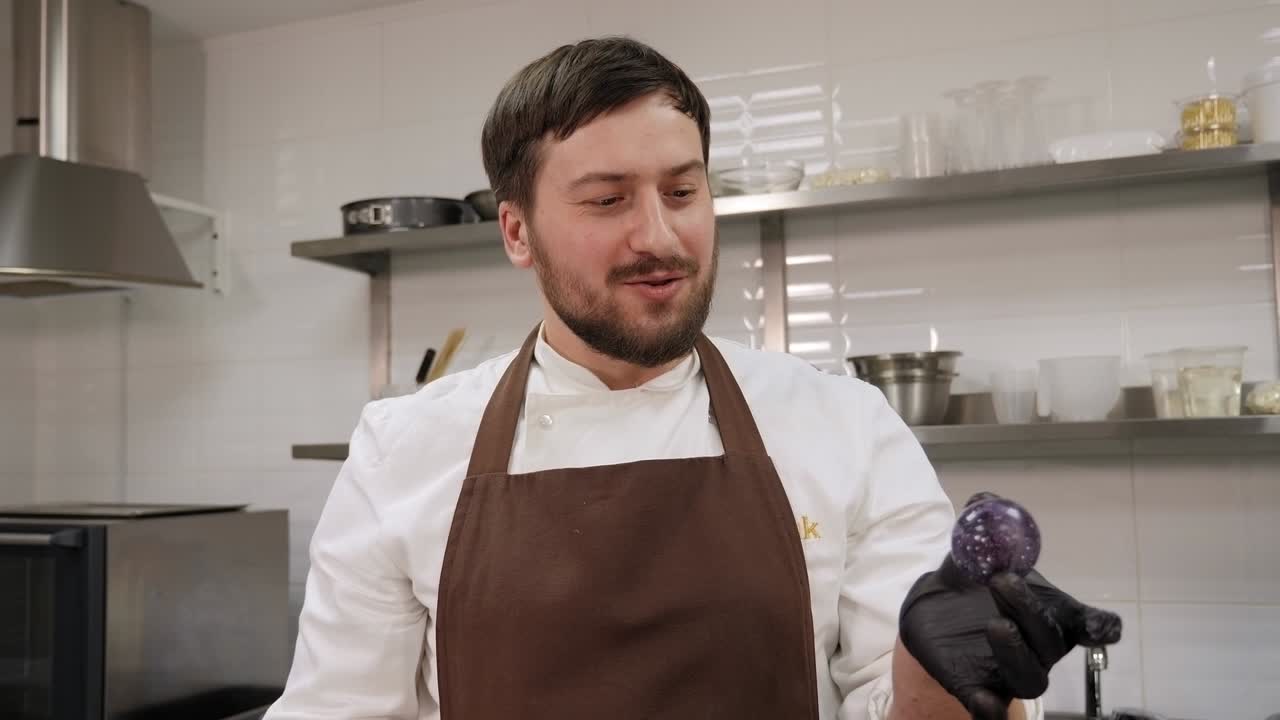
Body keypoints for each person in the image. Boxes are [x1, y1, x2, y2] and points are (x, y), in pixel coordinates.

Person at [265, 37, 1120, 720]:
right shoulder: (403, 449)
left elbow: (896, 706)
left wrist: (951, 666)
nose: (661, 237)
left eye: (682, 191)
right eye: (607, 201)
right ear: (517, 233)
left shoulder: (844, 426)